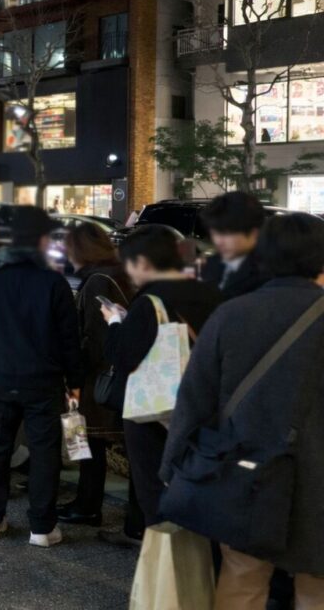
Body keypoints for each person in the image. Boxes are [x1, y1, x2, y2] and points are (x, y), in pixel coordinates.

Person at [162, 213, 324, 608]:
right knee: (317, 586)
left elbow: (194, 399)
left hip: (246, 473)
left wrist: (172, 466)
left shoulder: (232, 314)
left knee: (242, 579)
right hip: (318, 479)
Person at [0, 206, 80, 547]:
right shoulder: (53, 282)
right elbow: (69, 340)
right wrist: (75, 381)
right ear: (42, 240)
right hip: (42, 381)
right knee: (44, 451)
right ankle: (42, 528)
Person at [102, 224, 221, 528]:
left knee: (154, 487)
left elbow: (123, 355)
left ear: (142, 262)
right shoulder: (210, 292)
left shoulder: (150, 301)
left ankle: (165, 549)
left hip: (155, 410)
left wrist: (115, 323)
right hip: (205, 403)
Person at [61, 223, 133, 529]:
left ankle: (87, 505)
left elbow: (93, 337)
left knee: (85, 439)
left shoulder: (96, 282)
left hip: (95, 379)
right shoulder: (120, 274)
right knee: (94, 441)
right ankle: (88, 502)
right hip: (117, 375)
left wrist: (74, 377)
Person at [199, 191, 267, 299]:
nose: (218, 241)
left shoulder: (267, 272)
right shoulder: (210, 264)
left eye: (226, 233)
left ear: (254, 233)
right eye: (215, 233)